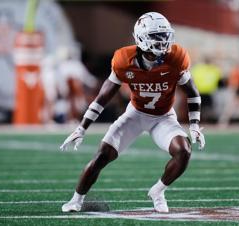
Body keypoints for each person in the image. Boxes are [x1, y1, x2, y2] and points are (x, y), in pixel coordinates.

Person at [59, 12, 205, 213]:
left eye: (164, 35)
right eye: (157, 36)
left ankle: (158, 191)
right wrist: (81, 128)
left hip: (163, 117)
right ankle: (76, 200)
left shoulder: (176, 57)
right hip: (135, 114)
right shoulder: (123, 59)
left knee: (183, 151)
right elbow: (103, 97)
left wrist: (195, 126)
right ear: (141, 38)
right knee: (102, 156)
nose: (163, 41)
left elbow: (193, 94)